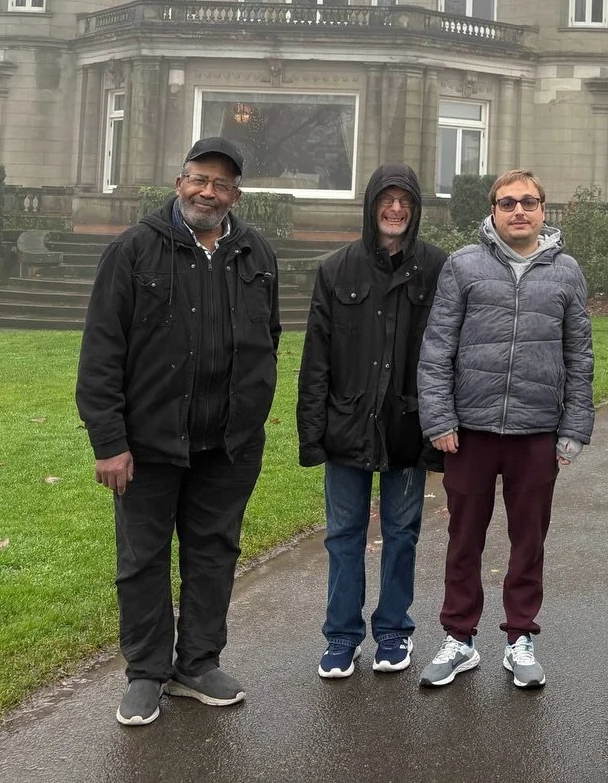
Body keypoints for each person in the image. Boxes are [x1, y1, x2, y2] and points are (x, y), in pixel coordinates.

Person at [76, 137, 280, 727]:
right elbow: (101, 353)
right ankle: (146, 672)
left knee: (214, 553)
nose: (207, 192)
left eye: (221, 184)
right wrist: (109, 443)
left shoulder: (255, 253)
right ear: (179, 182)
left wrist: (251, 413)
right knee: (142, 559)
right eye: (199, 179)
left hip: (228, 446)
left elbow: (268, 337)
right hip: (147, 445)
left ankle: (197, 663)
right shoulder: (134, 250)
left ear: (235, 194)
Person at [415, 169, 594, 690]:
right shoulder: (463, 266)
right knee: (463, 540)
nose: (519, 211)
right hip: (470, 431)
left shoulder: (566, 273)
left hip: (536, 431)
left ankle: (520, 637)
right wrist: (439, 418)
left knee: (528, 542)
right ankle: (459, 638)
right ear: (493, 210)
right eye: (508, 202)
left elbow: (580, 355)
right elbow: (437, 348)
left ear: (543, 211)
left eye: (529, 202)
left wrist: (574, 425)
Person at [297, 164, 447, 679]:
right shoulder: (336, 269)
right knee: (344, 534)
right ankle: (341, 636)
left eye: (405, 200)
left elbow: (446, 354)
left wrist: (438, 427)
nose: (396, 209)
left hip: (408, 427)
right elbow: (316, 358)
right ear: (371, 204)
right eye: (388, 199)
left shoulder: (437, 269)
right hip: (347, 425)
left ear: (416, 208)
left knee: (402, 533)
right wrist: (311, 434)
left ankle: (393, 630)